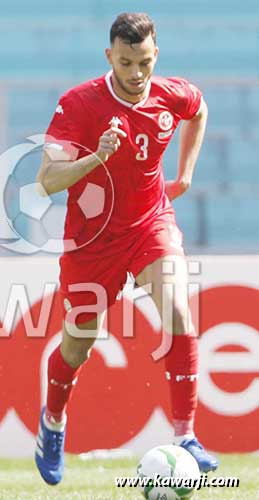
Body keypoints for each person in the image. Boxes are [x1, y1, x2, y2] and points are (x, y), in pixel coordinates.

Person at [34, 12, 217, 485]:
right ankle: (52, 421)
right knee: (78, 345)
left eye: (145, 63)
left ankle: (185, 436)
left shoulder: (170, 94)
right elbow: (46, 181)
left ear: (156, 55)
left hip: (150, 224)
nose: (136, 74)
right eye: (126, 63)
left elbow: (198, 110)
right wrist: (97, 156)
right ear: (109, 56)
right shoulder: (79, 104)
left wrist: (185, 175)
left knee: (177, 309)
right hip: (92, 242)